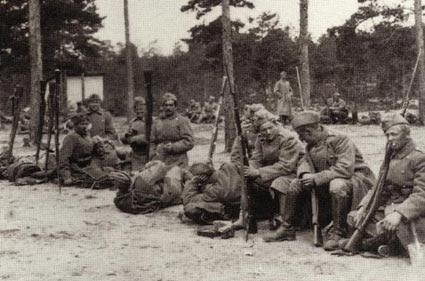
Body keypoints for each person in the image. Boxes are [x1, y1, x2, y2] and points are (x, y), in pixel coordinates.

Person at [287, 111, 375, 250]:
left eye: (301, 135)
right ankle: (287, 227)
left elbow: (345, 169)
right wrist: (305, 174)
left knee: (337, 185)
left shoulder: (340, 139)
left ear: (309, 131)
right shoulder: (312, 144)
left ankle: (339, 232)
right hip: (327, 179)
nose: (301, 139)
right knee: (295, 184)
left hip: (356, 179)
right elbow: (304, 160)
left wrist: (316, 178)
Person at [347, 114, 425, 257]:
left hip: (413, 212)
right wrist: (363, 207)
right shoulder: (390, 157)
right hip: (390, 208)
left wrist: (399, 213)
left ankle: (377, 245)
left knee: (396, 224)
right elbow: (378, 188)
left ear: (406, 134)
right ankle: (389, 244)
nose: (389, 139)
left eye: (394, 134)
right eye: (387, 134)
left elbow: (421, 195)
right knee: (354, 217)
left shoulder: (419, 158)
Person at [230, 118, 304, 240]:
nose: (268, 132)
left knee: (279, 183)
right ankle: (246, 217)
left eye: (270, 128)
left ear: (276, 125)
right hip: (274, 171)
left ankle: (285, 224)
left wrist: (258, 172)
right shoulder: (261, 139)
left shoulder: (287, 138)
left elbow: (286, 166)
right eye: (264, 130)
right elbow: (257, 158)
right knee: (247, 179)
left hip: (294, 172)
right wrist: (249, 168)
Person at [114, 160, 192, 214]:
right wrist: (147, 166)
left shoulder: (123, 195)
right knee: (176, 169)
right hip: (172, 192)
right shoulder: (142, 178)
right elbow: (161, 165)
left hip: (162, 197)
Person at [151, 92, 194, 167]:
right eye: (166, 105)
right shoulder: (157, 121)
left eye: (171, 105)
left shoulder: (182, 121)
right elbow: (152, 141)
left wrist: (173, 147)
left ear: (175, 107)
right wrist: (153, 155)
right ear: (163, 107)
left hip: (178, 161)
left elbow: (189, 141)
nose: (168, 108)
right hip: (160, 161)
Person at [59, 113, 94, 186]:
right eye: (82, 124)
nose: (85, 126)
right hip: (75, 167)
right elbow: (63, 158)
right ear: (75, 126)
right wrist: (67, 177)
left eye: (86, 124)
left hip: (88, 165)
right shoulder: (71, 137)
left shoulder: (87, 136)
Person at [121, 97, 149, 171]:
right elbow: (124, 137)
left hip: (147, 154)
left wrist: (134, 139)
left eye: (141, 109)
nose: (139, 111)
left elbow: (150, 137)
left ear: (146, 109)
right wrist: (126, 136)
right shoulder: (132, 122)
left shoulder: (151, 121)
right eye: (137, 109)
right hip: (135, 155)